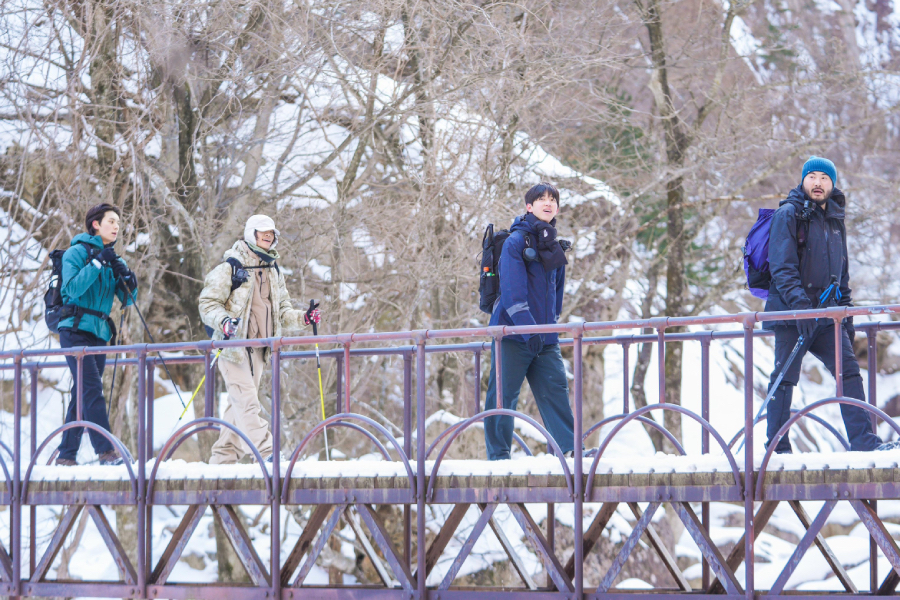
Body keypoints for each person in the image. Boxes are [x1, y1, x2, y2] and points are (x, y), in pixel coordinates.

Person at [764, 156, 892, 453]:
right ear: (803, 181)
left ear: (832, 184)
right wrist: (801, 309)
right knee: (784, 378)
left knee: (849, 373)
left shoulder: (835, 220)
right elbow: (781, 267)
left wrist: (846, 317)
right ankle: (777, 448)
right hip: (792, 314)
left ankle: (864, 442)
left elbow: (841, 274)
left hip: (827, 315)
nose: (818, 183)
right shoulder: (788, 214)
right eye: (812, 177)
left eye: (824, 178)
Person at [198, 215, 321, 464]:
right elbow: (207, 303)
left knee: (238, 405)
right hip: (232, 347)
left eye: (272, 233)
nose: (268, 236)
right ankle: (267, 453)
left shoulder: (273, 270)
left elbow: (282, 312)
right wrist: (224, 321)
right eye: (263, 232)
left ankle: (223, 459)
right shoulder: (230, 267)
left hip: (259, 350)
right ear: (251, 233)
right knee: (247, 401)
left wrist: (304, 318)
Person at [484, 182, 578, 460]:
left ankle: (570, 451)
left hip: (545, 336)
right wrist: (529, 330)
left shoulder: (553, 246)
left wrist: (550, 325)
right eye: (541, 199)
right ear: (529, 206)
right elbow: (513, 294)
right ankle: (499, 457)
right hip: (513, 335)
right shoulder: (515, 242)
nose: (548, 203)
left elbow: (557, 293)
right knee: (503, 397)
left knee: (555, 391)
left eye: (553, 200)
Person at [56, 203, 138, 466]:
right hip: (74, 329)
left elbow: (127, 300)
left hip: (99, 333)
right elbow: (73, 289)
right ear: (95, 224)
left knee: (82, 392)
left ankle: (66, 455)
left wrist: (128, 279)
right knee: (91, 389)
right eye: (111, 221)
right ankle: (106, 451)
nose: (116, 227)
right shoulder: (75, 253)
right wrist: (96, 262)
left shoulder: (113, 258)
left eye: (118, 223)